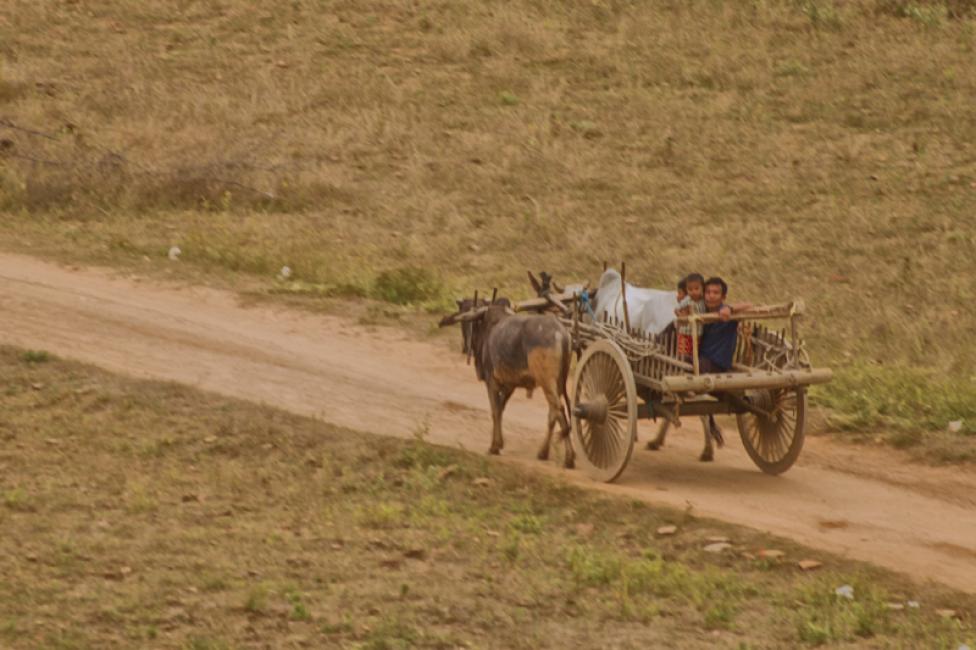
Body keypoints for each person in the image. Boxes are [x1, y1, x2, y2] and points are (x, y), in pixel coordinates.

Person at [697, 276, 752, 443]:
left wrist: (730, 308)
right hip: (702, 361)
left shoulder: (727, 313)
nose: (711, 296)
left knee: (697, 372)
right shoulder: (700, 310)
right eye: (708, 292)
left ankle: (715, 418)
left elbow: (750, 305)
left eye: (716, 293)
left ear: (723, 297)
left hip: (716, 365)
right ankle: (712, 421)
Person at [674, 273, 705, 360]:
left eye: (696, 288)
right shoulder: (687, 300)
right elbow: (677, 309)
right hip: (685, 333)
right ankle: (682, 368)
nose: (693, 292)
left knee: (694, 353)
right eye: (690, 289)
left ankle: (691, 368)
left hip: (698, 333)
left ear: (702, 288)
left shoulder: (703, 300)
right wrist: (681, 316)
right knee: (683, 353)